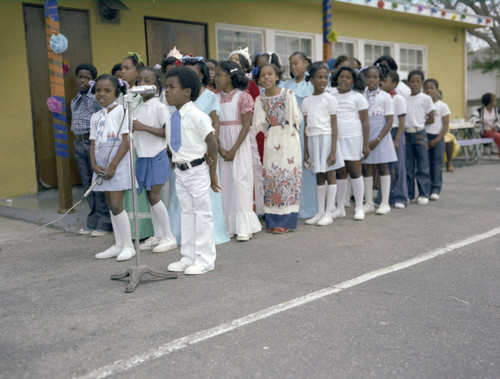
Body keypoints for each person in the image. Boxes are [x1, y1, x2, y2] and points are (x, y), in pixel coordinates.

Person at [164, 67, 220, 275]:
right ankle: (188, 257)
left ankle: (205, 259)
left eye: (172, 87)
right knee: (187, 214)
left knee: (202, 214)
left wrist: (212, 173)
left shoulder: (197, 116)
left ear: (187, 91)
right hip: (181, 171)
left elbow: (211, 143)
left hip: (197, 170)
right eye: (165, 87)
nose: (166, 91)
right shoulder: (172, 118)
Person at [180, 56, 230, 245]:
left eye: (194, 72)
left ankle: (210, 236)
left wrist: (210, 152)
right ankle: (184, 236)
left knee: (204, 198)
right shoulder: (180, 95)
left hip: (203, 152)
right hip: (183, 152)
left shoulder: (210, 97)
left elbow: (214, 127)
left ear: (202, 75)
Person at [132, 66, 177, 253]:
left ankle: (168, 236)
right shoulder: (138, 107)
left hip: (156, 156)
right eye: (139, 81)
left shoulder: (160, 107)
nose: (142, 84)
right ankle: (158, 235)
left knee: (155, 196)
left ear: (157, 86)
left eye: (147, 81)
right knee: (150, 197)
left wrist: (142, 127)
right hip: (143, 156)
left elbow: (167, 132)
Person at [253, 63, 303, 233]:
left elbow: (296, 118)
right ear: (259, 79)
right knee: (272, 177)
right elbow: (257, 124)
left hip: (288, 138)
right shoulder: (260, 99)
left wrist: (289, 136)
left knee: (287, 177)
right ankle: (272, 220)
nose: (266, 77)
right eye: (262, 75)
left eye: (270, 74)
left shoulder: (287, 94)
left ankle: (286, 221)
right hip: (271, 139)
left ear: (276, 77)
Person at [90, 74, 135, 261]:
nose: (101, 94)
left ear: (117, 92)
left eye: (107, 91)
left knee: (117, 204)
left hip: (117, 163)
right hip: (101, 165)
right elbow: (92, 143)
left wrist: (113, 166)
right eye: (98, 90)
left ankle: (129, 246)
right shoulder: (95, 116)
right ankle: (118, 244)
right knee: (110, 205)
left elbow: (125, 142)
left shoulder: (121, 112)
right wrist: (94, 165)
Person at [215, 61, 262, 240]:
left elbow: (245, 125)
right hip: (222, 144)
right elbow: (215, 125)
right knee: (225, 184)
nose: (215, 78)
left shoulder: (243, 97)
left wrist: (234, 148)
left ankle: (244, 226)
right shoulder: (216, 98)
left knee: (240, 180)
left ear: (230, 76)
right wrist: (220, 148)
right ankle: (229, 225)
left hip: (239, 144)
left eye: (219, 75)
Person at [70, 63, 112, 237]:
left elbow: (103, 115)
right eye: (80, 77)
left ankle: (104, 220)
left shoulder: (95, 97)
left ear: (93, 81)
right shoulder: (75, 99)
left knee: (97, 182)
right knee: (87, 183)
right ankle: (93, 219)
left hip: (91, 142)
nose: (83, 80)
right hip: (78, 144)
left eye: (87, 78)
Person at [302, 63, 345, 226]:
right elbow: (306, 128)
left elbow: (334, 126)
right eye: (319, 77)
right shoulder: (306, 101)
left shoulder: (330, 99)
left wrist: (333, 150)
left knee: (329, 174)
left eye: (325, 77)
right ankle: (319, 212)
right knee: (319, 175)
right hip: (313, 140)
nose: (322, 80)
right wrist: (306, 151)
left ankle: (329, 212)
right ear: (311, 79)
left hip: (327, 139)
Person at [119, 52, 155, 240]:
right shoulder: (123, 94)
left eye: (128, 68)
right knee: (127, 190)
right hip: (123, 146)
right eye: (122, 68)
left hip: (139, 147)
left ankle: (144, 231)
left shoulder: (143, 96)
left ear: (137, 71)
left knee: (139, 189)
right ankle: (129, 231)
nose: (123, 72)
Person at [331, 66, 370, 220]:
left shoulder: (358, 97)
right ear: (336, 79)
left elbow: (365, 122)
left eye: (348, 77)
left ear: (354, 80)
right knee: (340, 172)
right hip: (337, 139)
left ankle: (359, 207)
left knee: (355, 171)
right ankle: (340, 207)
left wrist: (365, 144)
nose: (344, 80)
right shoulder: (332, 96)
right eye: (341, 77)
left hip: (354, 138)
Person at [283, 52, 317, 219]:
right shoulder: (286, 84)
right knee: (292, 166)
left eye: (297, 63)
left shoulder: (312, 85)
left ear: (306, 64)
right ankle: (294, 206)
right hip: (289, 130)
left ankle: (310, 207)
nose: (294, 66)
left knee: (307, 166)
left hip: (307, 128)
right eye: (291, 64)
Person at [361, 65, 397, 215]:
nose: (372, 80)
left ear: (380, 79)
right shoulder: (361, 96)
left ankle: (384, 203)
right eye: (369, 77)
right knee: (366, 168)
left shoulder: (385, 97)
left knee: (383, 167)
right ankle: (369, 203)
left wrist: (377, 139)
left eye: (375, 77)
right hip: (366, 135)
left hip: (381, 136)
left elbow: (389, 121)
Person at [405, 70, 435, 204]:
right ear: (408, 83)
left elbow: (431, 118)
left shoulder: (426, 98)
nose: (415, 84)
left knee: (422, 164)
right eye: (412, 81)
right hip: (406, 133)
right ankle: (410, 194)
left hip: (420, 133)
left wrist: (420, 122)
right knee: (408, 165)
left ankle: (423, 193)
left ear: (422, 83)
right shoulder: (404, 98)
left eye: (418, 81)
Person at [379, 69, 408, 208]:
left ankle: (400, 197)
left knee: (399, 166)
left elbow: (401, 120)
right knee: (384, 166)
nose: (382, 83)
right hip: (384, 132)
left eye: (385, 81)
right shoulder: (381, 97)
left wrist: (397, 139)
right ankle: (384, 198)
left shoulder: (398, 98)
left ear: (394, 84)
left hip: (396, 132)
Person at [424, 78, 450, 200]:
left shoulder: (442, 106)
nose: (429, 90)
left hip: (437, 137)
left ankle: (435, 189)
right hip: (424, 136)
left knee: (437, 164)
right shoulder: (423, 104)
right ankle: (426, 189)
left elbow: (445, 125)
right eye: (426, 88)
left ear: (437, 90)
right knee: (425, 164)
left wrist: (437, 140)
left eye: (432, 88)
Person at [470, 93, 500, 157]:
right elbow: (472, 118)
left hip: (496, 130)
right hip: (486, 131)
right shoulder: (480, 111)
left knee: (497, 135)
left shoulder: (497, 110)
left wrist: (496, 125)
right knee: (498, 137)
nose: (495, 102)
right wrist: (480, 121)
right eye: (494, 100)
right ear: (489, 102)